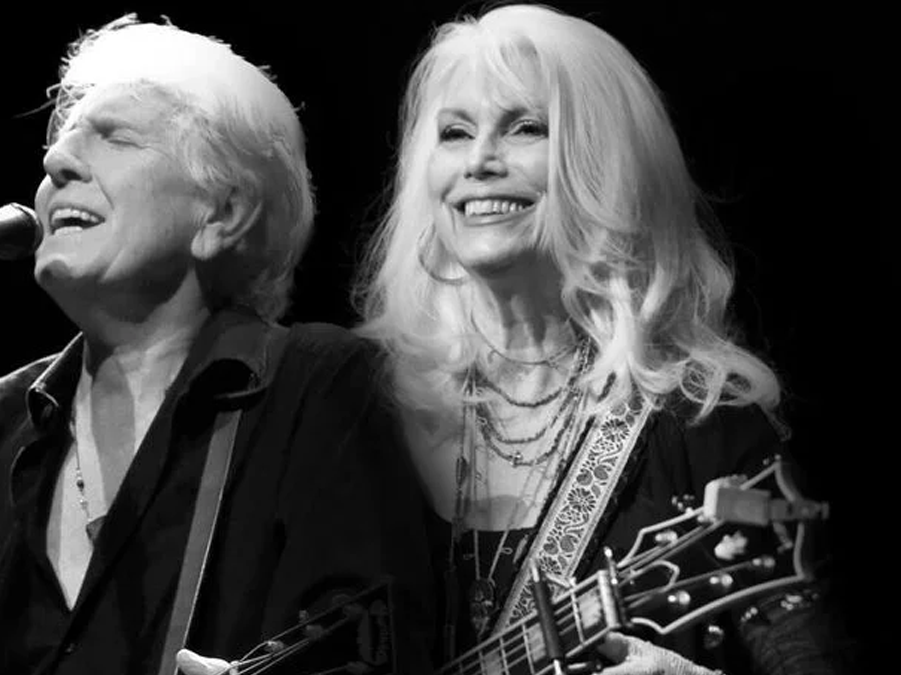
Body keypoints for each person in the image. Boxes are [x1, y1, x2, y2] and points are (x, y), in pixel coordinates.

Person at [0, 16, 435, 675]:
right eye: (62, 143)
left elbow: (370, 649)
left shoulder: (318, 391)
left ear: (224, 214)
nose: (56, 162)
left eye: (115, 138)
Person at [355, 4, 847, 674]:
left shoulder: (704, 419)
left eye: (526, 127)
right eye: (454, 132)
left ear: (606, 164)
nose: (478, 161)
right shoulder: (356, 401)